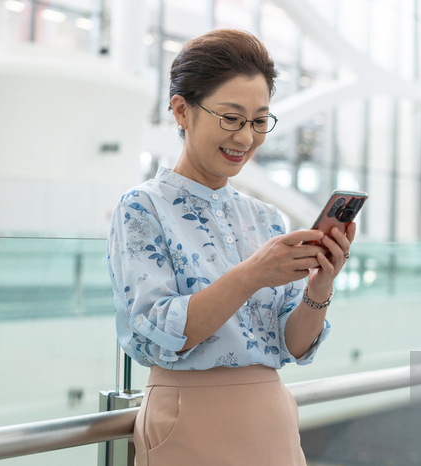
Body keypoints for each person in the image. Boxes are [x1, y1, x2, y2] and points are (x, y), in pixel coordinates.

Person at [107, 29, 356, 466]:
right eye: (231, 118)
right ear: (182, 110)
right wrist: (254, 273)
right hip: (188, 419)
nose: (246, 138)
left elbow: (294, 346)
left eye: (259, 121)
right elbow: (156, 333)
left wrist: (320, 287)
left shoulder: (266, 218)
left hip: (272, 419)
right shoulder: (142, 208)